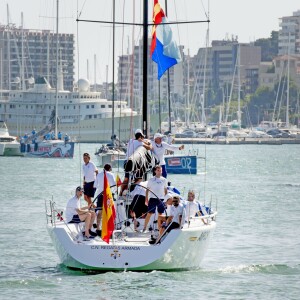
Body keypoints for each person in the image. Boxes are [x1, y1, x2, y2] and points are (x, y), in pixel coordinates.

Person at [120, 129, 152, 195]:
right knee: (139, 178)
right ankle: (129, 191)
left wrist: (142, 140)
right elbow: (150, 147)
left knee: (126, 178)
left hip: (126, 161)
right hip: (133, 162)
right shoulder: (139, 143)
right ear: (140, 137)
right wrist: (143, 141)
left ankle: (121, 192)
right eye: (142, 137)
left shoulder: (130, 141)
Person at [143, 165, 168, 232]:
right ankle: (145, 228)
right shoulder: (151, 180)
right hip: (153, 198)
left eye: (161, 170)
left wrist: (166, 199)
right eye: (158, 170)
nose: (160, 172)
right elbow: (147, 190)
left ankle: (159, 228)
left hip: (161, 199)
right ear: (155, 171)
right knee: (149, 213)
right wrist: (146, 199)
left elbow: (165, 190)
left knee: (160, 214)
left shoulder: (164, 180)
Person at [93, 163, 116, 235]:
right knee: (109, 211)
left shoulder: (99, 175)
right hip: (108, 195)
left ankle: (98, 228)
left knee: (100, 211)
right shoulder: (111, 175)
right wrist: (114, 193)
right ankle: (108, 228)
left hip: (100, 195)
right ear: (109, 169)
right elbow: (114, 185)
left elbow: (95, 186)